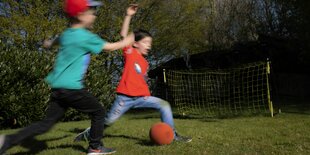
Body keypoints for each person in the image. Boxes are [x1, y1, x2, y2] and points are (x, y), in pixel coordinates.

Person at [0, 0, 134, 155]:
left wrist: (48, 44)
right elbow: (110, 47)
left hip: (58, 89)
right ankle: (95, 148)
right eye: (91, 13)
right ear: (80, 15)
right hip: (72, 88)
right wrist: (127, 41)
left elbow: (55, 41)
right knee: (98, 112)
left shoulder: (66, 34)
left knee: (46, 124)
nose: (94, 16)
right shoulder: (85, 36)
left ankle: (7, 141)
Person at [74, 4, 192, 144]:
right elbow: (124, 35)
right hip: (125, 98)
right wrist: (128, 15)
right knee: (108, 121)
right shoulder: (130, 53)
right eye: (146, 42)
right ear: (135, 44)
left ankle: (172, 135)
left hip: (142, 97)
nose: (149, 45)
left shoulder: (145, 62)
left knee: (164, 105)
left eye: (150, 43)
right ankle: (89, 133)